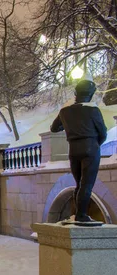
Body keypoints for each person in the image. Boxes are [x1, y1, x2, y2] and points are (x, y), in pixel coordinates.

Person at [50, 78, 107, 224]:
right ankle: (81, 215)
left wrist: (70, 126)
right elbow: (103, 133)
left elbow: (54, 128)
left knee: (79, 183)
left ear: (76, 93)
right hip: (90, 148)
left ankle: (77, 213)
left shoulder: (65, 111)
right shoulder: (93, 110)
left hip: (74, 150)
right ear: (91, 94)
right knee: (86, 184)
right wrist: (94, 144)